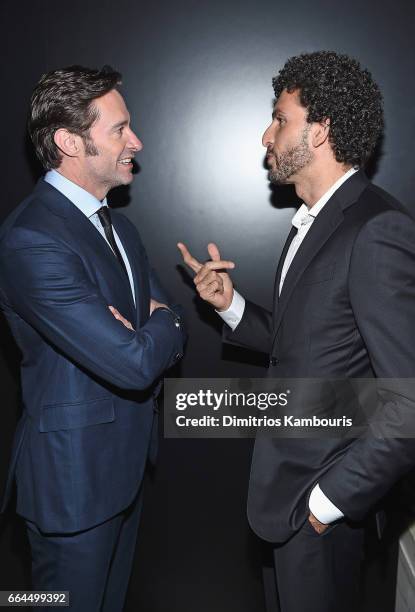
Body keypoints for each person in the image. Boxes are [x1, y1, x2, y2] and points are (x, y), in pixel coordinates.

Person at [178, 50, 415, 611]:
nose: (267, 135)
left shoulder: (376, 228)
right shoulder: (312, 222)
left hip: (323, 514)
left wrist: (328, 504)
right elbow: (306, 349)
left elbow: (408, 400)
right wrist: (232, 306)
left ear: (323, 128)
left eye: (280, 118)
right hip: (283, 502)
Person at [0, 65, 185, 612]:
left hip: (122, 473)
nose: (136, 142)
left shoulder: (119, 225)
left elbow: (161, 321)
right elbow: (133, 362)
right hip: (72, 488)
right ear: (68, 142)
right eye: (119, 129)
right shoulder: (31, 239)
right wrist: (162, 324)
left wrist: (159, 322)